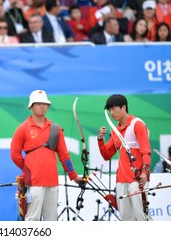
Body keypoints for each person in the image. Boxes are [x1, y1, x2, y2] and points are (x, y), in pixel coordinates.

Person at [10, 90, 82, 221]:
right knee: (32, 219)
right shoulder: (23, 128)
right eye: (38, 103)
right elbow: (14, 155)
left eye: (45, 103)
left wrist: (74, 176)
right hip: (34, 183)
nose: (42, 106)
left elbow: (64, 155)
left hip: (52, 181)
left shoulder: (55, 128)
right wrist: (29, 170)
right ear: (31, 107)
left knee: (52, 219)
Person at [97, 94, 151, 221]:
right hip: (121, 180)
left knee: (141, 217)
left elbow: (146, 151)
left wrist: (144, 173)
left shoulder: (137, 124)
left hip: (137, 179)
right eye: (109, 110)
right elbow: (106, 155)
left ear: (123, 107)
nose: (111, 113)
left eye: (114, 109)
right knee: (126, 219)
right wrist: (100, 139)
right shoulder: (117, 130)